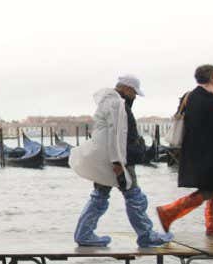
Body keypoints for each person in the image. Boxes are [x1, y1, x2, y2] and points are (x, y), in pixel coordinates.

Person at [68, 75, 172, 248]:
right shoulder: (117, 104)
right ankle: (146, 235)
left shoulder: (108, 102)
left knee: (99, 197)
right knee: (134, 197)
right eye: (134, 92)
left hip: (105, 158)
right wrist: (118, 163)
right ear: (126, 89)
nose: (135, 97)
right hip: (119, 160)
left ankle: (83, 234)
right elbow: (117, 135)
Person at [156, 65, 213, 236]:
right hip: (211, 152)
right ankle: (169, 212)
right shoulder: (211, 99)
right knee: (211, 189)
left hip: (196, 150)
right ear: (211, 77)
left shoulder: (192, 96)